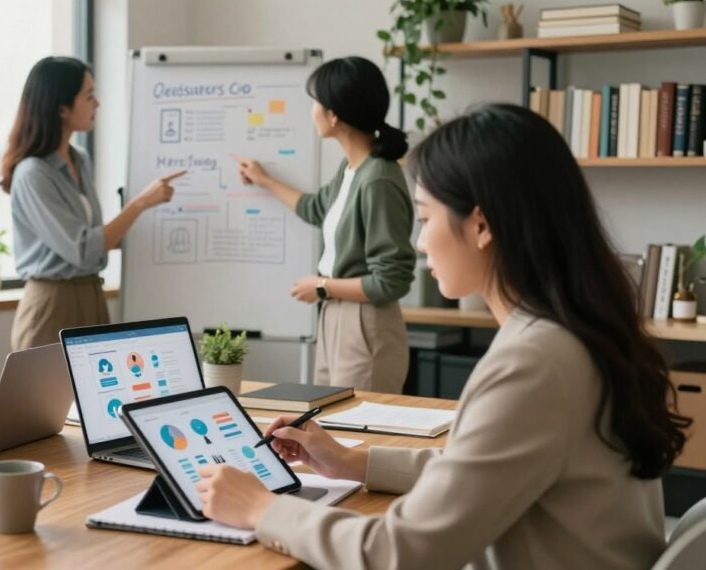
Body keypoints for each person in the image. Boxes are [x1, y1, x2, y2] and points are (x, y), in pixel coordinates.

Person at [196, 104, 690, 570]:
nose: (419, 239)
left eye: (426, 217)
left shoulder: (535, 363)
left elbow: (402, 554)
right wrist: (351, 461)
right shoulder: (574, 334)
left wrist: (261, 509)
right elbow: (483, 472)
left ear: (480, 224)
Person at [235, 56, 414, 392]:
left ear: (335, 115)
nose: (312, 110)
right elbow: (316, 208)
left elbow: (391, 280)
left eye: (315, 102)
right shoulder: (352, 170)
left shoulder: (378, 179)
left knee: (356, 429)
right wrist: (265, 180)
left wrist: (321, 286)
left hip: (364, 320)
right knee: (329, 423)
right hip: (336, 314)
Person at [0, 56, 184, 350]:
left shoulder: (79, 160)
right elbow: (83, 249)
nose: (96, 104)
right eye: (88, 96)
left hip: (91, 296)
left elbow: (97, 236)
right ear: (61, 107)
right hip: (51, 304)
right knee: (50, 397)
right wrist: (139, 204)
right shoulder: (33, 173)